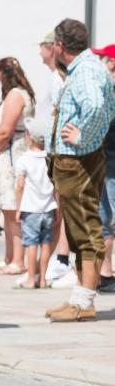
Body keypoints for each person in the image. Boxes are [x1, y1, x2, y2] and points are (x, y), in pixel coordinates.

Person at [45, 18, 115, 322]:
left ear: (60, 46)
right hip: (75, 159)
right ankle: (79, 297)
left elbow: (98, 107)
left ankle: (85, 300)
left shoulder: (86, 70)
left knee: (85, 227)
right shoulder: (90, 67)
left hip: (77, 160)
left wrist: (84, 136)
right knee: (77, 227)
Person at [0, 57, 36, 276]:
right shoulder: (18, 94)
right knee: (6, 208)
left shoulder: (15, 95)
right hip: (8, 155)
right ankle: (9, 257)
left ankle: (18, 260)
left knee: (13, 210)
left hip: (11, 156)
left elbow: (5, 131)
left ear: (2, 74)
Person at [14, 118, 56, 289]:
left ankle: (31, 279)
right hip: (49, 208)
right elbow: (56, 186)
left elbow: (20, 186)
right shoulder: (50, 158)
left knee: (31, 244)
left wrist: (18, 208)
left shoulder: (24, 159)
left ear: (29, 137)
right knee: (45, 244)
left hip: (30, 208)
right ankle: (43, 279)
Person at [91, 43, 115, 294]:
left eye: (103, 58)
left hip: (112, 164)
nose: (99, 63)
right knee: (103, 220)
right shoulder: (105, 89)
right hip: (102, 162)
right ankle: (106, 273)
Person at [35, 32, 65, 128]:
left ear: (51, 49)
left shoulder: (57, 78)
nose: (39, 52)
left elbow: (56, 109)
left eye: (41, 47)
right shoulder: (54, 76)